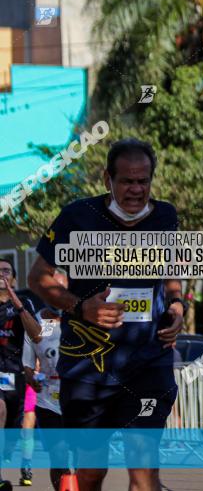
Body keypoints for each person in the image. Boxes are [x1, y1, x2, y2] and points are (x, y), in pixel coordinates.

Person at [28, 138, 186, 491]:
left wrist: (177, 307)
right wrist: (81, 306)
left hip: (148, 361)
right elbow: (36, 277)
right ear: (107, 180)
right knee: (90, 472)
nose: (135, 189)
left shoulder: (165, 216)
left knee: (143, 469)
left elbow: (172, 275)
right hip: (88, 367)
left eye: (143, 181)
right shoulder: (77, 216)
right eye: (127, 181)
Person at [23, 269, 68, 491]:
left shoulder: (82, 317)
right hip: (48, 400)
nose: (57, 297)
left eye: (61, 291)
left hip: (78, 397)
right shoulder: (41, 322)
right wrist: (30, 373)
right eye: (52, 292)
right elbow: (30, 357)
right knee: (58, 456)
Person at [0, 257, 42, 491]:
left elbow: (37, 335)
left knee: (23, 429)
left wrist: (16, 303)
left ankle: (25, 464)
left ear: (14, 279)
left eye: (6, 271)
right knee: (0, 410)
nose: (2, 274)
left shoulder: (24, 302)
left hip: (22, 374)